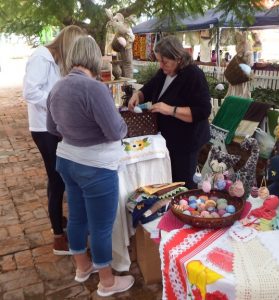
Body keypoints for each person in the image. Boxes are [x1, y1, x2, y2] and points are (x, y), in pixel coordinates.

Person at [47, 36, 134, 297]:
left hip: (67, 160)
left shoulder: (58, 87)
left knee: (77, 217)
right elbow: (115, 130)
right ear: (95, 57)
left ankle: (82, 267)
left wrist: (75, 131)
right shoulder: (94, 88)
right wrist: (120, 122)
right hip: (96, 165)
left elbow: (52, 128)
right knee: (100, 226)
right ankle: (107, 282)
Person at [23, 25, 85, 255]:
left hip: (54, 126)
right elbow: (30, 92)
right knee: (56, 179)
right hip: (43, 128)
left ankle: (59, 221)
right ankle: (58, 237)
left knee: (58, 176)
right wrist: (56, 103)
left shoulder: (56, 61)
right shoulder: (41, 56)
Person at [128, 35, 211, 189]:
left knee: (182, 185)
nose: (161, 65)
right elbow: (149, 88)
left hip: (186, 143)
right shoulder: (164, 73)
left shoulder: (194, 75)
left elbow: (203, 111)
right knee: (168, 182)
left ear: (178, 58)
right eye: (159, 61)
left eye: (164, 61)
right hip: (167, 141)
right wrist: (137, 96)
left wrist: (170, 110)